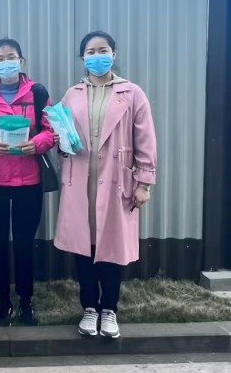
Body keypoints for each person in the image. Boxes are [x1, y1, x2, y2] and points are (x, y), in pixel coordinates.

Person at [55, 31, 157, 338]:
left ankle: (109, 308)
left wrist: (143, 182)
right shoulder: (72, 94)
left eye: (103, 50)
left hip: (116, 181)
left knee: (112, 245)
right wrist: (62, 143)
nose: (97, 56)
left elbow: (145, 140)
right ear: (82, 58)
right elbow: (62, 134)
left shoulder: (132, 93)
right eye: (90, 51)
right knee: (83, 245)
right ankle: (89, 306)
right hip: (80, 181)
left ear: (113, 54)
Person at [0, 38, 56, 327]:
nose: (6, 62)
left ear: (21, 61)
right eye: (0, 58)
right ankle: (3, 301)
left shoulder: (37, 92)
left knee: (24, 244)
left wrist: (36, 144)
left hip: (28, 182)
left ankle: (26, 301)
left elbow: (51, 130)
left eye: (11, 57)